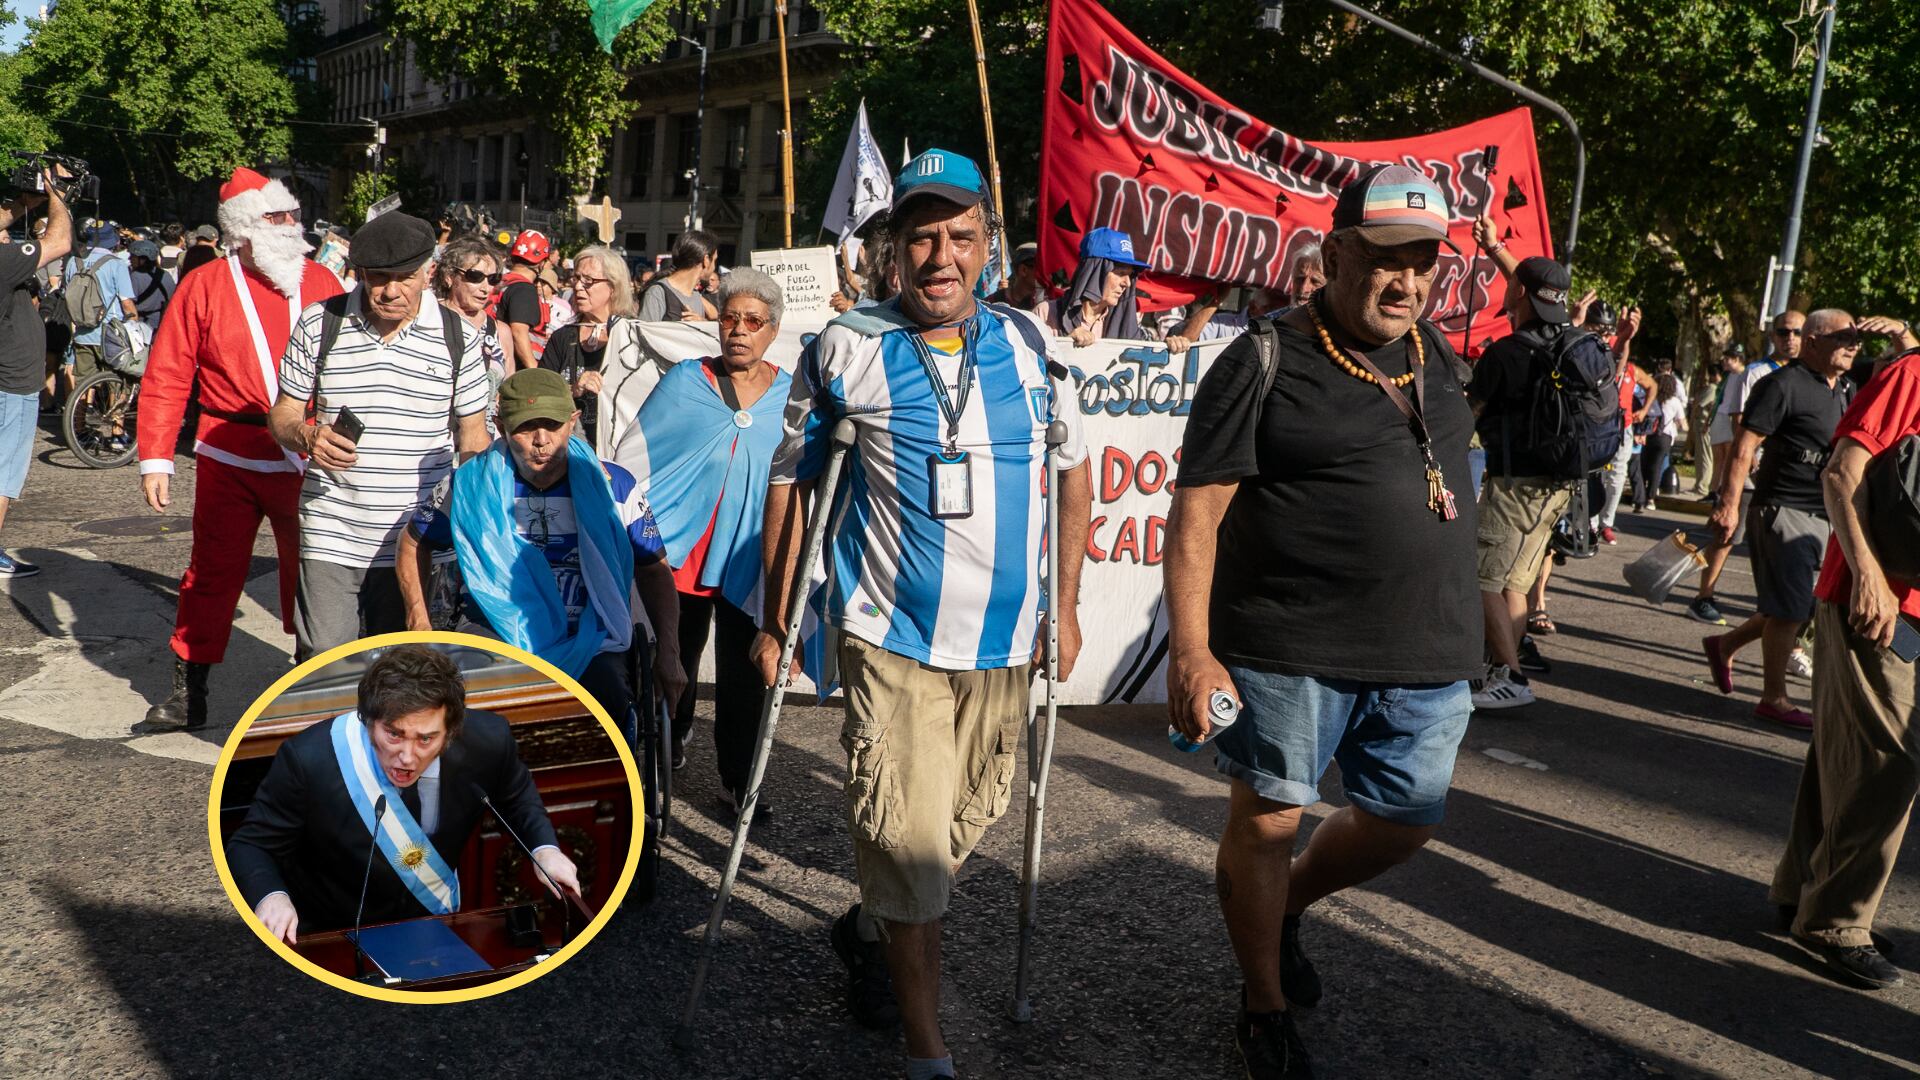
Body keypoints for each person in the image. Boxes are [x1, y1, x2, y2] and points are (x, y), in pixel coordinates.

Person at [759, 148, 1089, 1080]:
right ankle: (927, 1050)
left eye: (959, 236)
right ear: (891, 251)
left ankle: (870, 921)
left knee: (958, 827)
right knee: (908, 837)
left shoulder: (1032, 345)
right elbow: (792, 481)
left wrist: (1062, 608)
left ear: (989, 245)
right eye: (921, 238)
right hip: (888, 633)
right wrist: (778, 617)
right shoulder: (846, 347)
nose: (941, 256)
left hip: (1006, 642)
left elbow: (1074, 472)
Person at [1165, 163, 1479, 1080]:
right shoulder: (1261, 359)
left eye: (1424, 262)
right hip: (1288, 646)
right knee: (1268, 820)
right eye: (1386, 260)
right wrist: (1192, 653)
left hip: (1427, 651)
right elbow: (1197, 518)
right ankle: (1264, 1009)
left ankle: (1287, 905)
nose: (1407, 282)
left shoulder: (1438, 353)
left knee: (1406, 820)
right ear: (1334, 253)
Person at [136, 168, 348, 730]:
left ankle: (312, 684)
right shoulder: (204, 284)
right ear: (244, 229)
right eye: (275, 218)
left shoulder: (325, 283)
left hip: (306, 450)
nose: (289, 227)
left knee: (311, 572)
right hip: (227, 451)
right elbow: (168, 372)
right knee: (211, 573)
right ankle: (189, 693)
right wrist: (155, 455)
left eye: (291, 217)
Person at [226, 644, 581, 940]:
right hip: (335, 933)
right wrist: (271, 897)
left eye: (426, 738)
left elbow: (516, 798)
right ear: (368, 721)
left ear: (451, 732)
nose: (407, 757)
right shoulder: (309, 759)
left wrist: (544, 850)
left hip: (438, 926)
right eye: (393, 734)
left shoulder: (489, 741)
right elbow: (251, 845)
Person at [397, 368, 686, 729]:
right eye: (524, 428)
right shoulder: (467, 485)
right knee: (463, 708)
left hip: (591, 631)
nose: (540, 440)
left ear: (573, 420)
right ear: (501, 426)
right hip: (494, 627)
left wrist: (670, 653)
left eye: (552, 425)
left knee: (608, 703)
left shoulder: (615, 485)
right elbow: (411, 542)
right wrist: (418, 621)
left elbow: (654, 568)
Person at [267, 211, 490, 661]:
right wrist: (308, 437)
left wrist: (476, 525)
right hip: (332, 529)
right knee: (325, 663)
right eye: (377, 278)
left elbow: (473, 438)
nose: (389, 291)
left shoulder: (459, 338)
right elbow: (282, 414)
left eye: (403, 278)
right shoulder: (320, 323)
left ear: (429, 271)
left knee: (404, 670)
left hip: (419, 542)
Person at [1769, 331, 1920, 990]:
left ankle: (1803, 885)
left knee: (1845, 749)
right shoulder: (1913, 375)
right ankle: (1834, 918)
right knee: (1891, 761)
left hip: (1906, 606)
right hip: (1878, 601)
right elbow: (1840, 472)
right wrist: (1864, 572)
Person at [613, 266, 792, 809]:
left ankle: (741, 784)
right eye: (731, 317)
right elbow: (634, 454)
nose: (738, 330)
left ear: (772, 330)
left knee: (745, 677)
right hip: (678, 553)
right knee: (674, 658)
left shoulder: (790, 396)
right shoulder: (687, 381)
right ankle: (667, 750)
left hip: (748, 557)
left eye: (753, 321)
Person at [1701, 310, 1890, 728]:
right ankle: (1773, 698)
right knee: (1790, 609)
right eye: (1843, 337)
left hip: (1827, 513)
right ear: (1812, 341)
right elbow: (1745, 445)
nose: (1853, 344)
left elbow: (1905, 363)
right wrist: (1729, 504)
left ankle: (1726, 643)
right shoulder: (1782, 384)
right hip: (1783, 506)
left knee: (1807, 605)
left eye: (1856, 337)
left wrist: (1899, 330)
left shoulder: (1845, 383)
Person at [1467, 255, 1614, 710]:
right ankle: (1495, 672)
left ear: (1517, 293)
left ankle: (1511, 677)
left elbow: (1465, 417)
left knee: (1482, 579)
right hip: (1558, 487)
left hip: (1514, 486)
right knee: (1515, 583)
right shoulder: (1573, 344)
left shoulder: (1506, 353)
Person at [1689, 313, 1803, 624]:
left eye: (1797, 332)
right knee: (1729, 535)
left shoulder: (1808, 375)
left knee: (1779, 545)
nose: (1790, 338)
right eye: (1783, 332)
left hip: (1788, 474)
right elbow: (1739, 418)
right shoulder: (1756, 372)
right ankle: (1704, 596)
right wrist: (1747, 454)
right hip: (1753, 469)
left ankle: (1770, 608)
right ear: (1772, 335)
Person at [0, 167, 72, 577]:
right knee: (5, 471)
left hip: (7, 377)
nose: (9, 235)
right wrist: (57, 195)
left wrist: (27, 201)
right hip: (12, 382)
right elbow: (59, 241)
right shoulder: (5, 262)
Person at [539, 245, 635, 451]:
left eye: (588, 281)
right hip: (567, 453)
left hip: (620, 451)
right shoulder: (563, 337)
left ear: (614, 286)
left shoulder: (633, 337)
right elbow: (539, 394)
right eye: (576, 279)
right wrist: (574, 389)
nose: (578, 287)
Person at [1038, 227, 1180, 350]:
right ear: (1095, 273)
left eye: (1130, 276)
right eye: (1120, 274)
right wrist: (1066, 345)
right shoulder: (1045, 314)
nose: (1127, 284)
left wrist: (1172, 347)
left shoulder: (1126, 324)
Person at [431, 233, 509, 433]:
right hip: (434, 443)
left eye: (493, 279)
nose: (485, 288)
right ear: (449, 277)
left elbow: (508, 394)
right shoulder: (427, 318)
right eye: (475, 277)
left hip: (485, 442)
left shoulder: (500, 331)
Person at [61, 223, 139, 401]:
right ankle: (117, 426)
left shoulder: (74, 261)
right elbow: (126, 302)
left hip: (82, 332)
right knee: (117, 382)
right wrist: (135, 327)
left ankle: (78, 424)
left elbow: (68, 293)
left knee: (83, 383)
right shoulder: (117, 265)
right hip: (111, 333)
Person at [494, 229, 551, 370]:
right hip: (514, 368)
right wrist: (533, 369)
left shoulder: (503, 282)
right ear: (541, 263)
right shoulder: (524, 290)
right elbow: (519, 332)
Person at [639, 230, 719, 321]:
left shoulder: (697, 297)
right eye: (714, 260)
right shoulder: (657, 293)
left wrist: (702, 324)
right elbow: (644, 333)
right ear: (706, 260)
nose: (714, 267)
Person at [1637, 372, 1686, 512]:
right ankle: (1651, 498)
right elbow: (1682, 423)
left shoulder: (1652, 398)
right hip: (1665, 436)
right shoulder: (1675, 401)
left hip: (1648, 434)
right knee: (1656, 467)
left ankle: (1640, 495)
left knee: (1643, 464)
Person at [126, 239, 173, 331]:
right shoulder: (165, 274)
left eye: (133, 256)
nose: (129, 259)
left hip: (141, 325)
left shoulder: (135, 276)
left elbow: (128, 302)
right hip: (161, 323)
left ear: (143, 259)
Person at [985, 241, 1043, 311]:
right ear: (1023, 270)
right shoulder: (991, 304)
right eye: (1042, 269)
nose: (1048, 275)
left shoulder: (1050, 306)